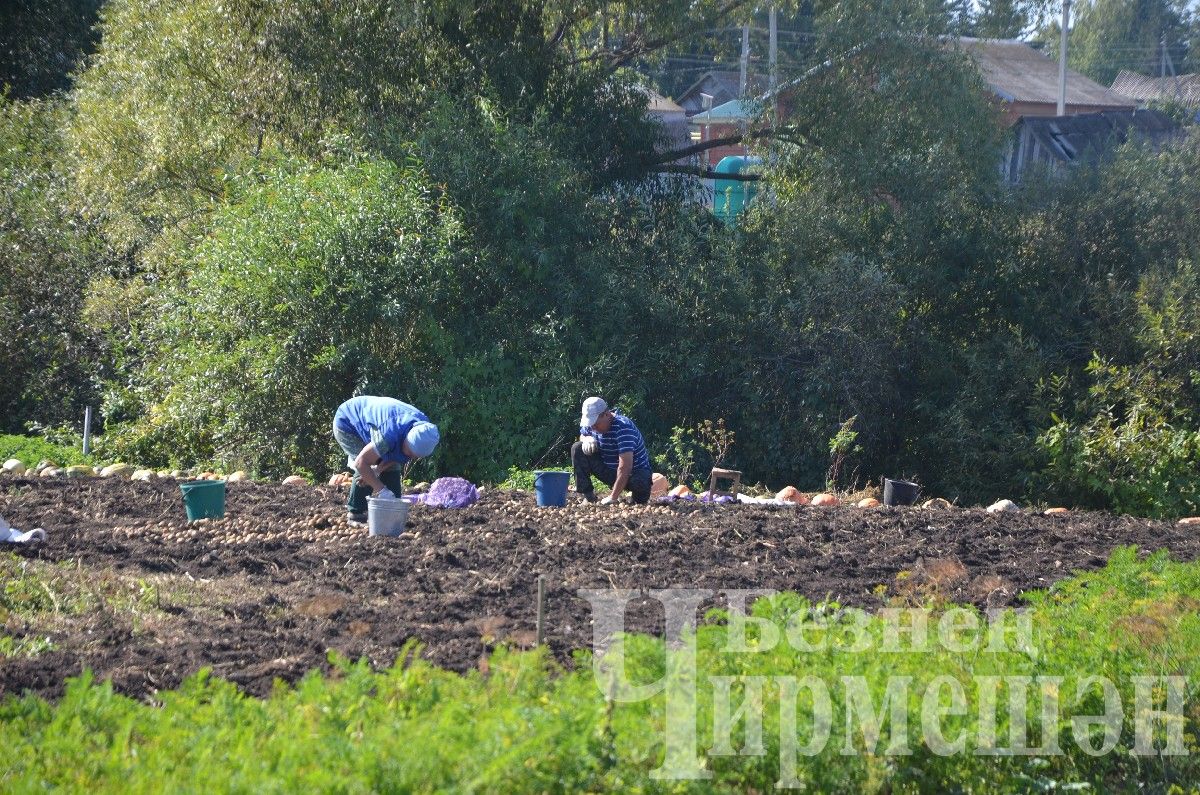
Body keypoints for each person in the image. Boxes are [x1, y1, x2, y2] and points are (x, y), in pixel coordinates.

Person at [333, 396, 440, 523]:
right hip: (348, 422)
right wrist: (382, 490)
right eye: (410, 452)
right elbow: (361, 462)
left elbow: (399, 455)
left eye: (414, 456)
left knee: (389, 468)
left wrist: (378, 470)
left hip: (379, 425)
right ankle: (356, 514)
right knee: (366, 467)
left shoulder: (424, 429)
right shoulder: (388, 436)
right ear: (407, 439)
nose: (410, 456)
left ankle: (392, 514)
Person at [572, 396, 652, 504]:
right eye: (591, 425)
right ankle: (589, 497)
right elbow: (583, 433)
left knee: (640, 482)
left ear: (606, 414)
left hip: (633, 474)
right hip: (609, 470)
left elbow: (625, 467)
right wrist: (586, 438)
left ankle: (636, 501)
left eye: (595, 424)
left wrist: (613, 497)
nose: (593, 428)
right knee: (577, 448)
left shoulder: (623, 427)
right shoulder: (592, 426)